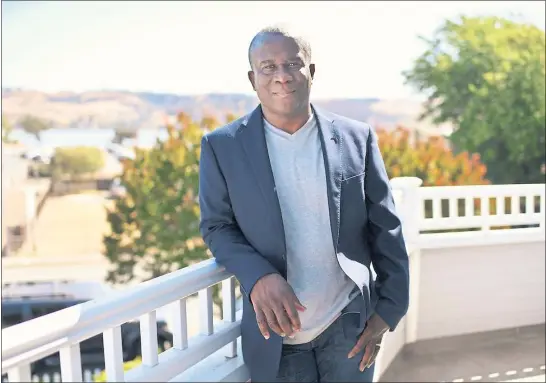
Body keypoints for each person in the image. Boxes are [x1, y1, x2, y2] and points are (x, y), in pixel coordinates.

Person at [199, 25, 410, 383]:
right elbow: (217, 226)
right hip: (275, 333)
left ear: (311, 71)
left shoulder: (357, 137)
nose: (281, 75)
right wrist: (258, 275)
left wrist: (389, 311)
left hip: (349, 326)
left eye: (292, 64)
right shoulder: (222, 147)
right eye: (268, 67)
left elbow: (386, 228)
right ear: (253, 79)